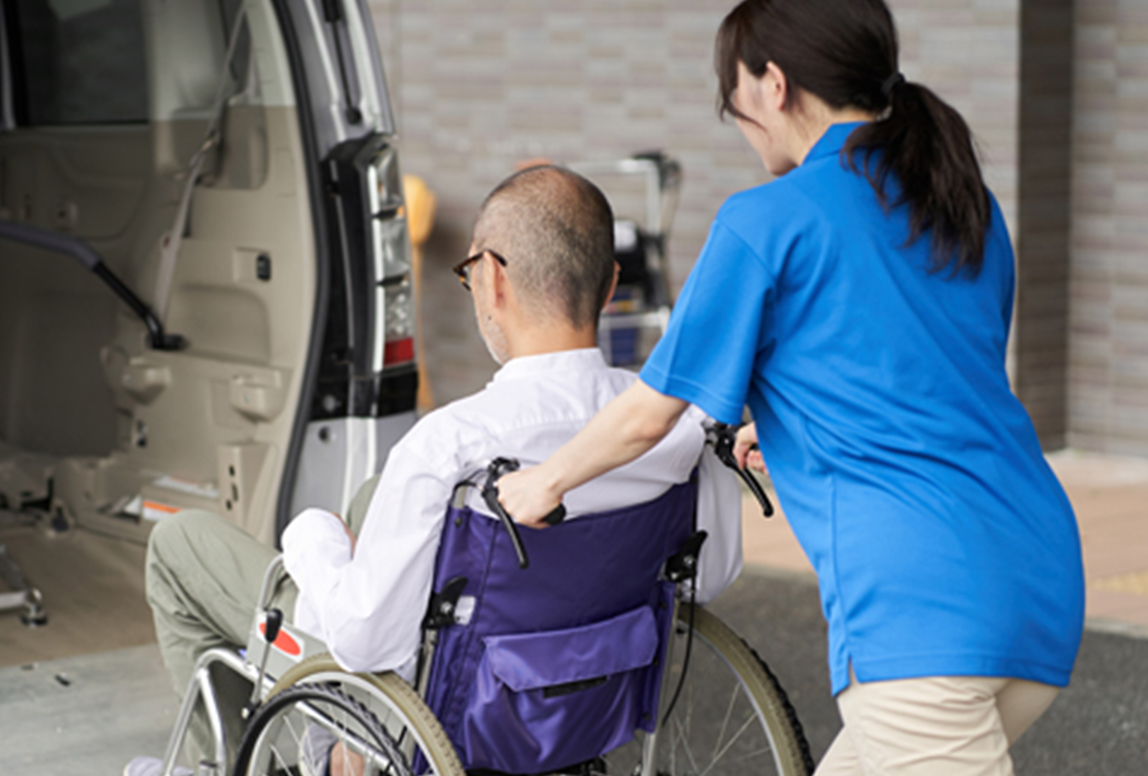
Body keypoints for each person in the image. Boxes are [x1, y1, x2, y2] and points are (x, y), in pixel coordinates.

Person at [494, 2, 1084, 775]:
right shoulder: (961, 204)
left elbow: (648, 414)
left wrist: (540, 484)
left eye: (730, 98)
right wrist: (796, 427)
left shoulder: (767, 221)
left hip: (921, 617)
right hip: (1038, 572)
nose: (737, 121)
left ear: (773, 85)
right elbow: (929, 380)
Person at [130, 165, 743, 776]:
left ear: (491, 279)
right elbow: (708, 577)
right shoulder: (679, 428)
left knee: (179, 545)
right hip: (589, 697)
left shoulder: (453, 443)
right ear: (610, 285)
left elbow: (368, 641)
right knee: (375, 499)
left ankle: (234, 764)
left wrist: (311, 538)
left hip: (434, 708)